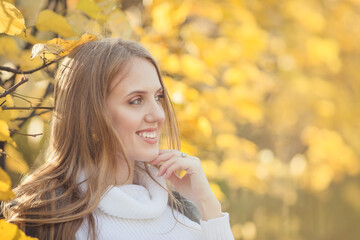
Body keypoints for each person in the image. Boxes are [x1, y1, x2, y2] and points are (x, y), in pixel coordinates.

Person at [2, 38, 234, 240]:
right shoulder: (42, 220)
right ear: (90, 116)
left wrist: (209, 206)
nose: (159, 115)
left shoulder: (182, 210)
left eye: (158, 97)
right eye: (136, 100)